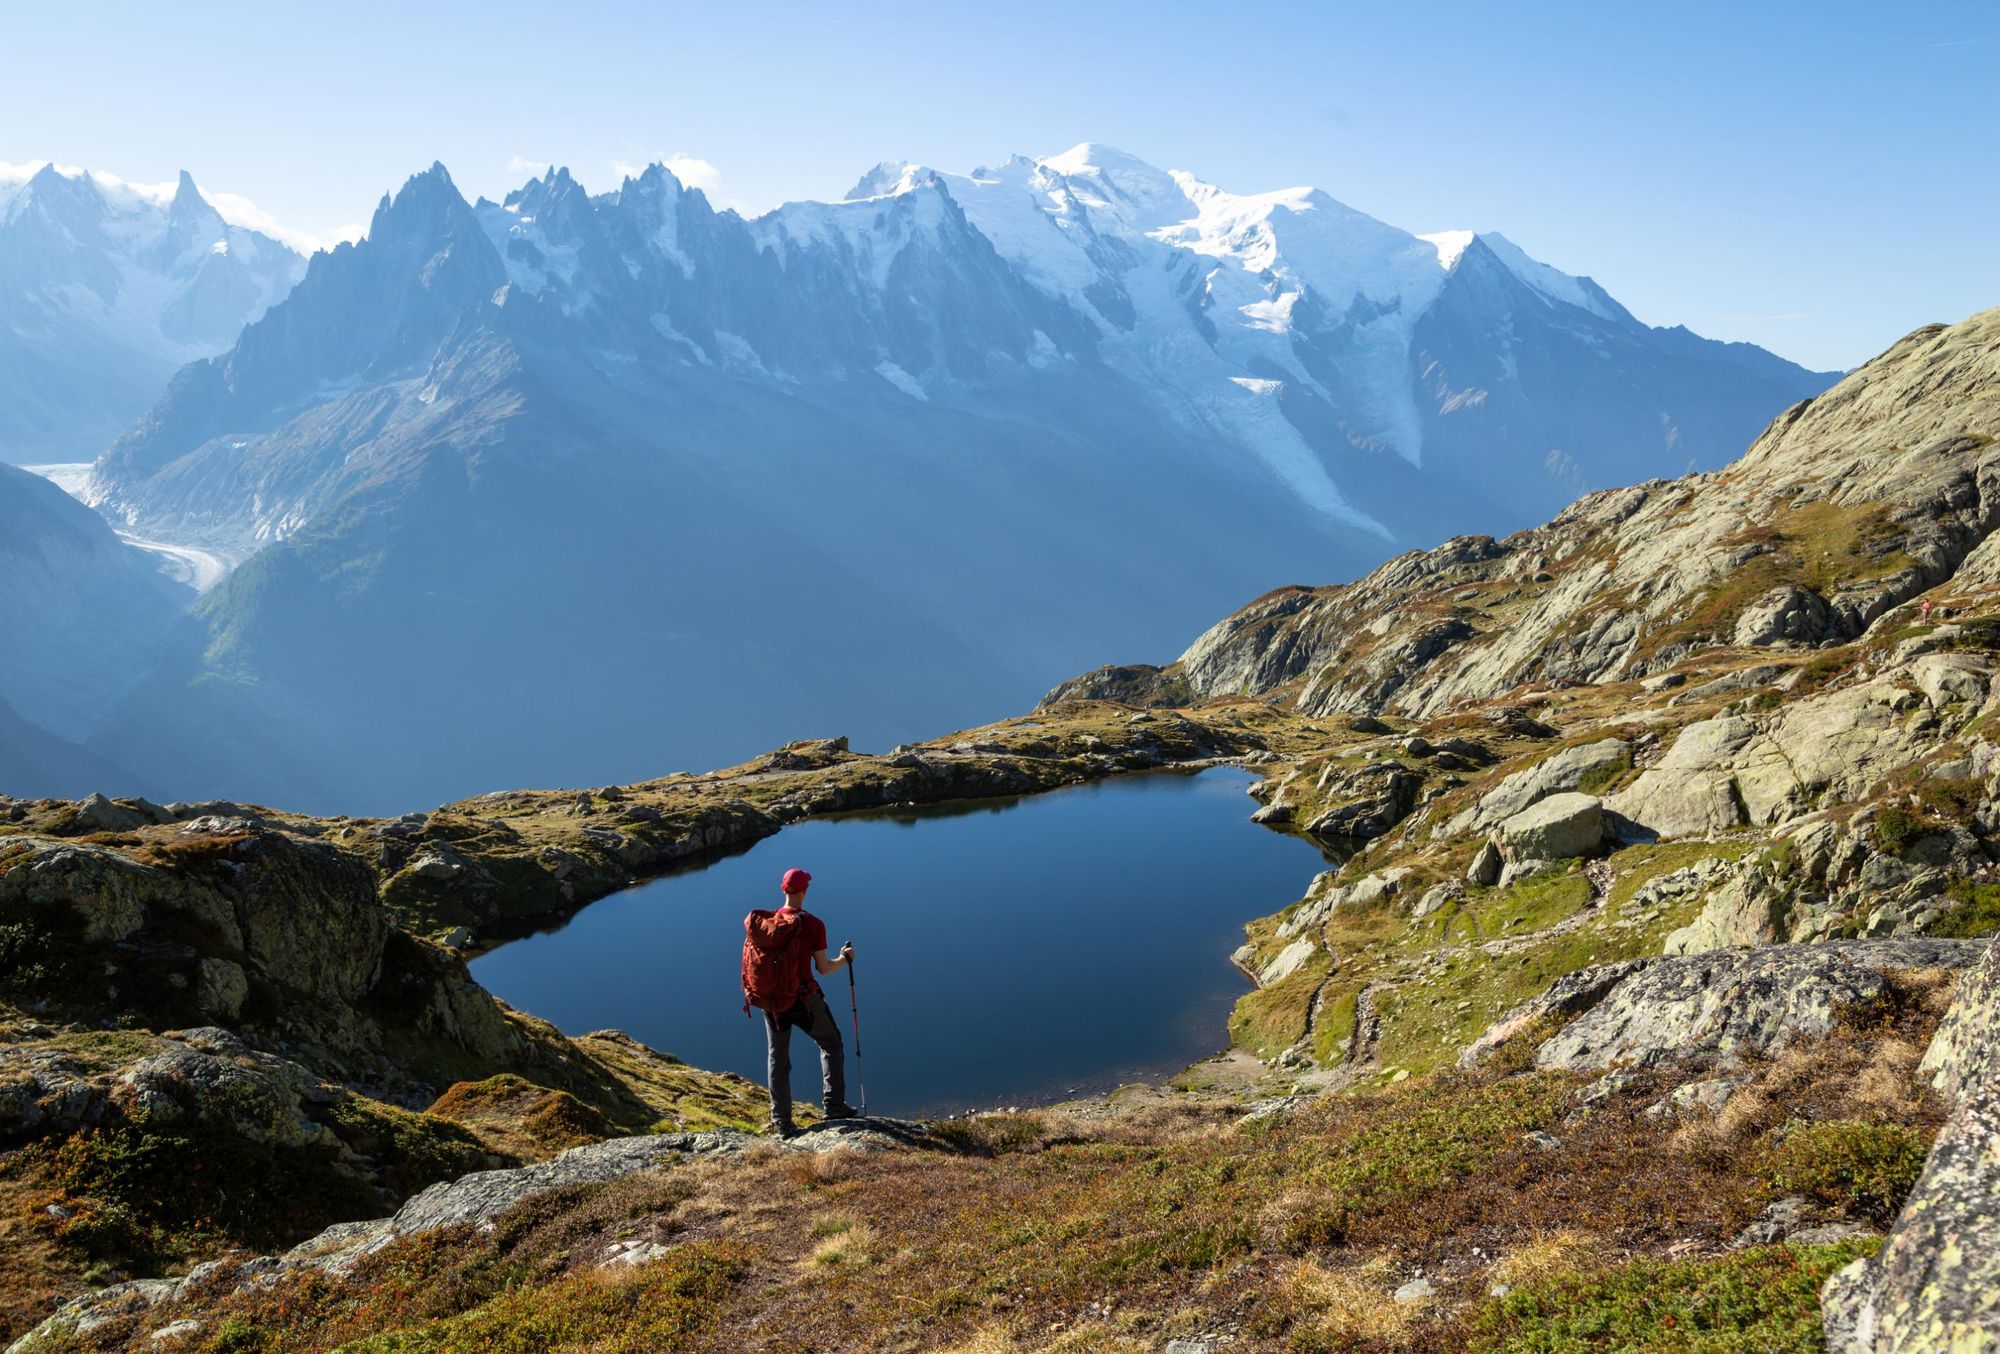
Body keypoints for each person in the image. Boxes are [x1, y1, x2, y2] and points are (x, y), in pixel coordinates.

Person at [761, 867, 856, 1135]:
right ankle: (834, 1105)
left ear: (784, 890)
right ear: (805, 891)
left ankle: (781, 1120)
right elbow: (823, 968)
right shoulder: (813, 924)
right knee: (832, 1043)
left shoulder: (769, 924)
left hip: (772, 1002)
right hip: (803, 1000)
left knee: (777, 1058)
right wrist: (846, 958)